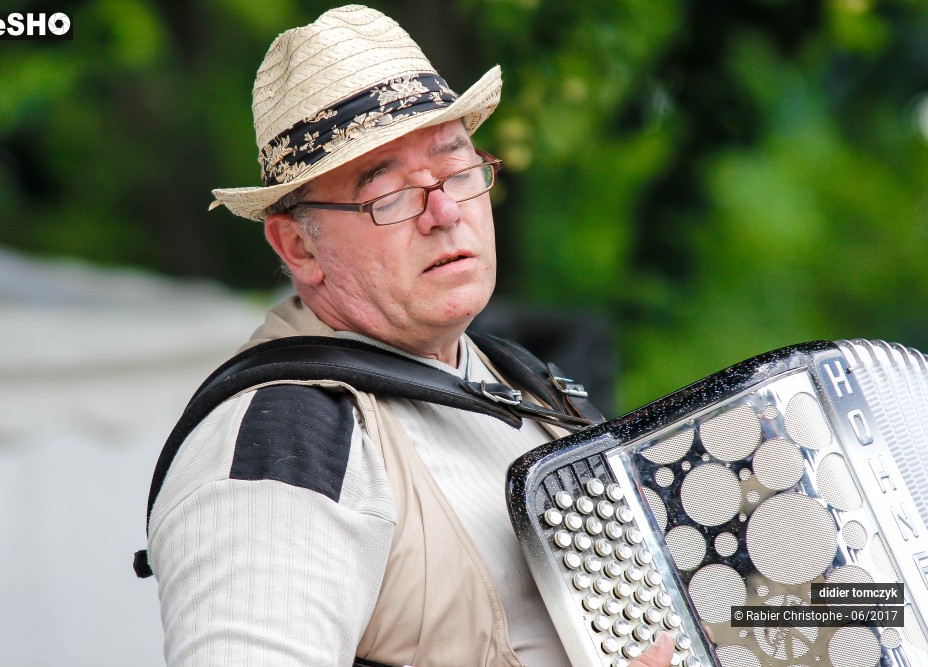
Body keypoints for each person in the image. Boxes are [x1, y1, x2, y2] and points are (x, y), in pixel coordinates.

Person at [145, 5, 675, 666]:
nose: (446, 211)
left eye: (457, 170)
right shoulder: (288, 437)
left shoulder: (520, 383)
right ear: (298, 246)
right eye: (389, 194)